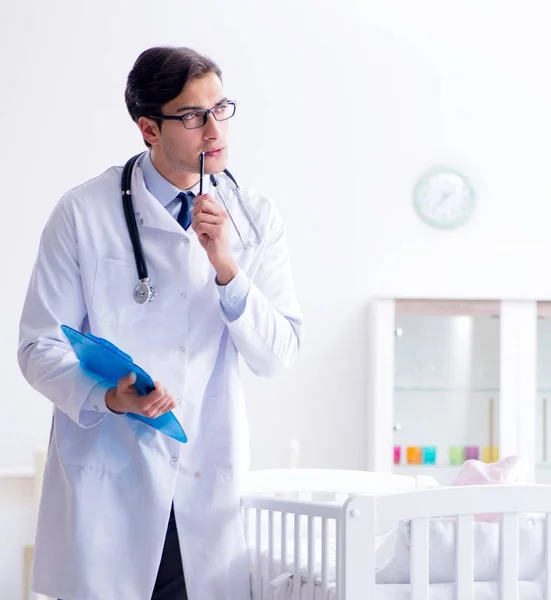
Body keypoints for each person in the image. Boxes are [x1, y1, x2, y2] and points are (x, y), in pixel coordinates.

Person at [17, 46, 303, 600]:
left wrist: (226, 266)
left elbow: (278, 353)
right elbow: (37, 347)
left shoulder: (253, 217)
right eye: (194, 116)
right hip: (110, 474)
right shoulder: (83, 213)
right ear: (149, 128)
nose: (215, 129)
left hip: (205, 475)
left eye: (222, 108)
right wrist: (112, 397)